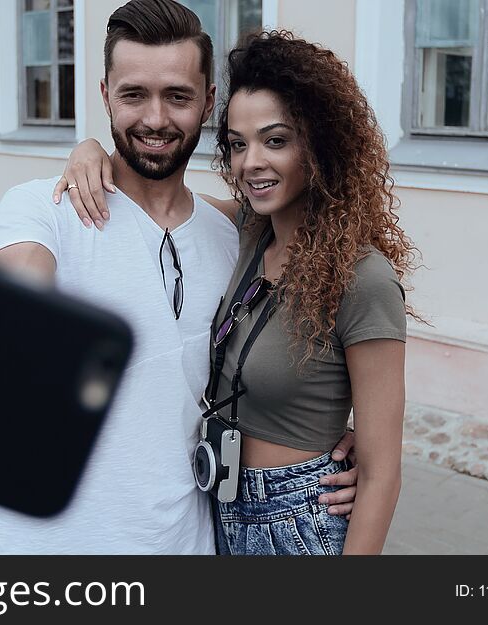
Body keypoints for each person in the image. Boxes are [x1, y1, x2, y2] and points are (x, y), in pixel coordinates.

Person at [0, 0, 358, 554]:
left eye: (178, 96)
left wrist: (330, 441)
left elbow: (327, 273)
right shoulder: (42, 208)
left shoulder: (233, 233)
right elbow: (6, 328)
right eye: (133, 94)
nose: (155, 119)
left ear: (209, 102)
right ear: (104, 95)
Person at [57, 28, 420, 554]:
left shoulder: (362, 278)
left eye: (275, 140)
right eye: (236, 144)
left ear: (318, 144)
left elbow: (383, 475)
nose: (251, 162)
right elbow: (162, 198)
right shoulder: (248, 233)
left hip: (301, 519)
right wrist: (88, 150)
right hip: (219, 507)